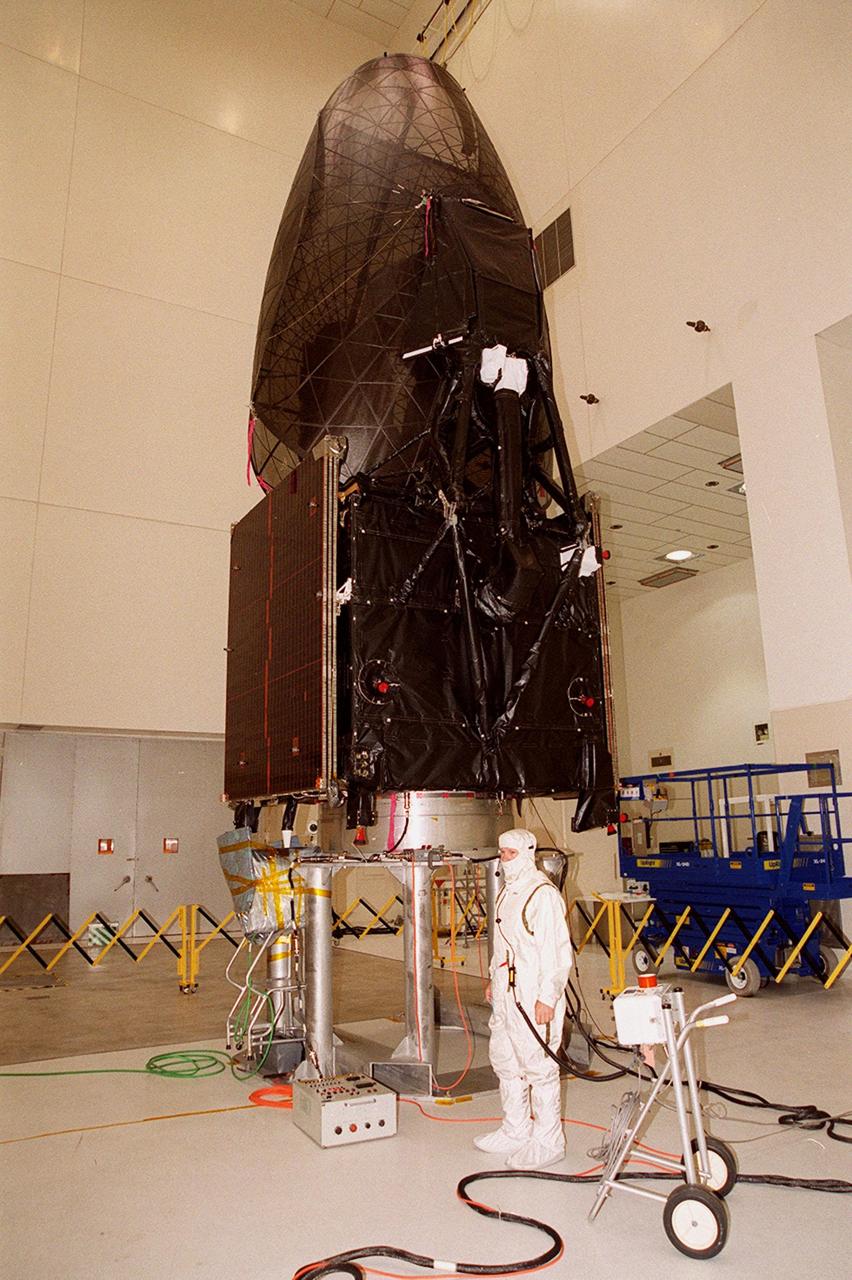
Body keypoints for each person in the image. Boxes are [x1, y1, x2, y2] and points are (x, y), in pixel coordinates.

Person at [474, 828, 573, 1169]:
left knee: (538, 1066)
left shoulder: (541, 895)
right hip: (505, 991)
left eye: (511, 854)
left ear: (527, 854)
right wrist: (493, 978)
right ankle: (516, 1128)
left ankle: (548, 1141)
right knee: (505, 1059)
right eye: (501, 853)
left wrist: (548, 997)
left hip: (533, 994)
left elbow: (557, 953)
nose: (504, 860)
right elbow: (502, 944)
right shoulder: (506, 894)